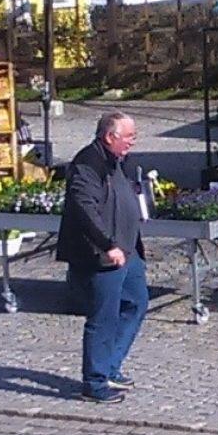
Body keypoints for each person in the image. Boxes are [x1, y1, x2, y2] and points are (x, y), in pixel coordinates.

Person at [56, 110, 147, 403]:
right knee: (103, 317)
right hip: (102, 253)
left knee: (136, 302)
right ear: (110, 136)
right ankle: (94, 382)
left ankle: (110, 365)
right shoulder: (87, 164)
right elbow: (84, 209)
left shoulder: (116, 161)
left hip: (128, 249)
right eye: (129, 137)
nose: (133, 142)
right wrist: (108, 244)